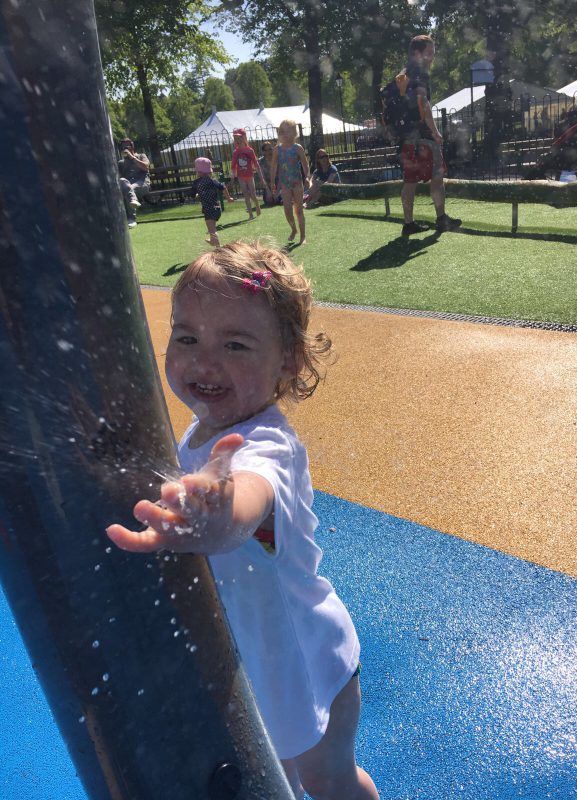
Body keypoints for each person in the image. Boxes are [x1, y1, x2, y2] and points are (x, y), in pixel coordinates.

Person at [107, 241, 380, 800]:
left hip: (304, 664)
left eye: (234, 344)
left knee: (326, 782)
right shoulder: (199, 431)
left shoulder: (266, 447)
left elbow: (247, 500)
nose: (204, 362)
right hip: (255, 659)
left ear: (289, 360)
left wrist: (217, 517)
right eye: (186, 337)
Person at [393, 35, 462, 236]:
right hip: (423, 137)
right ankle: (441, 219)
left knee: (409, 182)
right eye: (429, 53)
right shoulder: (421, 74)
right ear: (417, 53)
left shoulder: (402, 74)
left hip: (406, 138)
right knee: (437, 177)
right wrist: (435, 131)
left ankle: (408, 223)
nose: (432, 58)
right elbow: (424, 103)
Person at [271, 120, 310, 244]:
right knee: (287, 210)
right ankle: (294, 229)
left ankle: (303, 236)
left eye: (288, 131)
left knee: (299, 210)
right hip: (285, 184)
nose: (285, 134)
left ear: (294, 133)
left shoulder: (298, 148)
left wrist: (307, 177)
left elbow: (305, 164)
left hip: (297, 183)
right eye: (282, 132)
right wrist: (272, 182)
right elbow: (273, 167)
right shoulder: (277, 149)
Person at [189, 157, 234, 247]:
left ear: (198, 171)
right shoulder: (213, 181)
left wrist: (197, 195)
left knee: (212, 230)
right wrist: (229, 198)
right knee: (212, 229)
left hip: (208, 209)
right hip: (217, 208)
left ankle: (218, 248)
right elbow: (223, 187)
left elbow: (192, 195)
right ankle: (213, 241)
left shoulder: (197, 183)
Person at [231, 128, 266, 219]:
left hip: (250, 176)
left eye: (239, 138)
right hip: (241, 177)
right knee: (246, 194)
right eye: (235, 139)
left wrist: (262, 179)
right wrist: (233, 175)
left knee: (253, 194)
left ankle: (257, 205)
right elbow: (233, 165)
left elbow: (256, 164)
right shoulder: (235, 152)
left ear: (244, 138)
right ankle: (250, 214)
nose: (237, 141)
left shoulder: (250, 151)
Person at [118, 137, 151, 229]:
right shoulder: (121, 162)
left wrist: (132, 157)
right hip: (128, 186)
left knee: (130, 188)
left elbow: (145, 167)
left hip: (143, 184)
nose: (125, 148)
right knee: (123, 182)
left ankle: (131, 219)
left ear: (132, 147)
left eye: (127, 146)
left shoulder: (141, 156)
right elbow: (119, 178)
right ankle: (133, 200)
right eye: (123, 146)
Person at [258, 141, 280, 205]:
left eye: (270, 149)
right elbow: (262, 178)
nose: (269, 152)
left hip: (279, 185)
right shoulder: (260, 162)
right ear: (263, 152)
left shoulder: (278, 159)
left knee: (279, 199)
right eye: (266, 150)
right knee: (269, 201)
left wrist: (277, 192)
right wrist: (268, 191)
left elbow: (281, 177)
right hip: (268, 186)